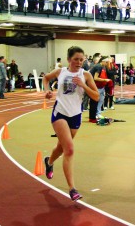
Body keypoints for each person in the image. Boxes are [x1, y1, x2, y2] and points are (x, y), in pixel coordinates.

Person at [43, 46, 99, 201]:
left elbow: (96, 97)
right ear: (69, 59)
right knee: (70, 149)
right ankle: (72, 189)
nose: (79, 62)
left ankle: (49, 161)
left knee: (61, 148)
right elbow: (46, 78)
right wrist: (47, 91)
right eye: (76, 59)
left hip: (76, 116)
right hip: (60, 113)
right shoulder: (60, 72)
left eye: (82, 59)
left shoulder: (86, 75)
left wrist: (83, 85)